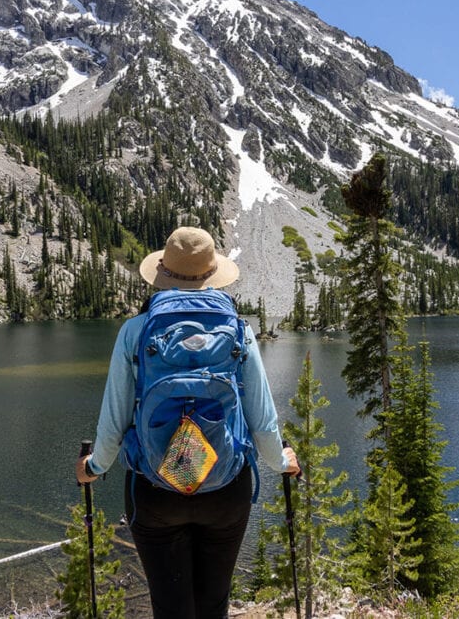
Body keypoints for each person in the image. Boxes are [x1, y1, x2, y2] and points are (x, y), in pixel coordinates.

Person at [76, 225, 300, 619]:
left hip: (156, 488)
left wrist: (93, 468)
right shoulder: (238, 330)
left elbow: (114, 419)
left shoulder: (136, 330)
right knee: (213, 605)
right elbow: (262, 419)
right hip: (225, 488)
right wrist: (283, 460)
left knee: (170, 607)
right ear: (211, 274)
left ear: (163, 273)